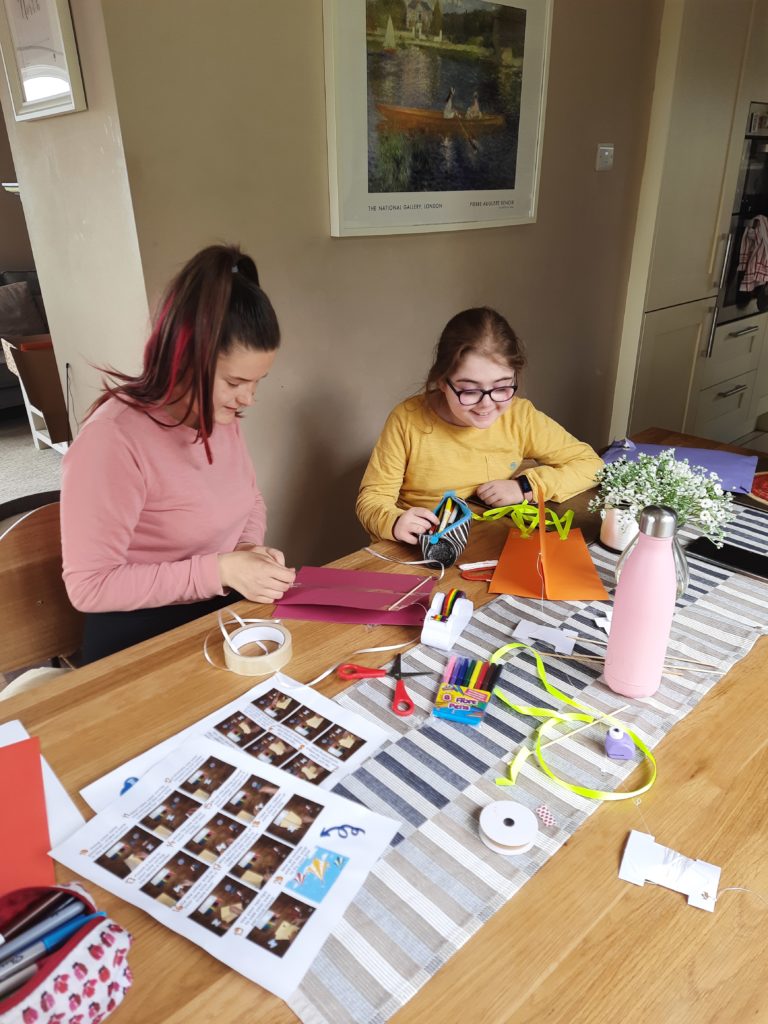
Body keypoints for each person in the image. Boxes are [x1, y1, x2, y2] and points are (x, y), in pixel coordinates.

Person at [61, 243, 295, 663]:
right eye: (236, 382)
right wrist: (220, 570)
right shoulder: (112, 441)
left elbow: (249, 498)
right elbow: (89, 587)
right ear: (185, 360)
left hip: (216, 614)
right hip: (137, 638)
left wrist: (245, 551)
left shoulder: (216, 414)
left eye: (258, 382)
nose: (249, 399)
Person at [356, 307, 604, 543]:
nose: (486, 405)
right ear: (442, 381)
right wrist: (396, 521)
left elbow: (591, 465)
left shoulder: (520, 416)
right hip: (421, 549)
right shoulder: (407, 419)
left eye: (502, 387)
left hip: (487, 543)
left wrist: (526, 487)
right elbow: (372, 499)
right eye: (470, 390)